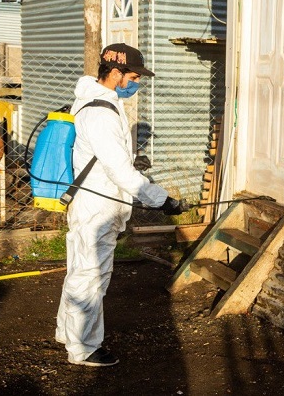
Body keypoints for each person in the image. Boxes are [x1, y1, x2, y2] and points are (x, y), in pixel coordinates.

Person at [55, 43, 187, 367]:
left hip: (96, 202)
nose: (136, 82)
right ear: (115, 73)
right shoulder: (100, 112)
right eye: (133, 75)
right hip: (96, 208)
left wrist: (130, 160)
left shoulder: (101, 103)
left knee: (81, 274)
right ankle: (83, 349)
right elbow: (118, 170)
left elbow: (110, 158)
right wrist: (162, 200)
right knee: (90, 278)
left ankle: (69, 334)